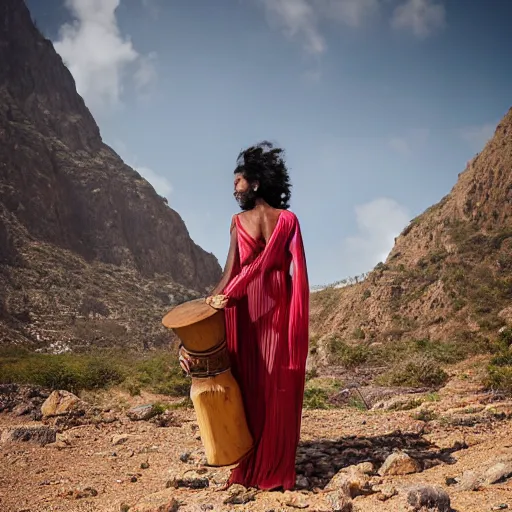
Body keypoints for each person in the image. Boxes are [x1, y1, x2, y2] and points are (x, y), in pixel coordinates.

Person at [206, 141, 309, 491]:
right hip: (277, 305)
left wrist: (216, 298)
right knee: (276, 384)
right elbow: (297, 268)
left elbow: (231, 271)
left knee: (252, 383)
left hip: (248, 309)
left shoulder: (238, 222)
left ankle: (253, 463)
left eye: (238, 181)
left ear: (255, 183)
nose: (234, 189)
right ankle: (277, 464)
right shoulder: (289, 220)